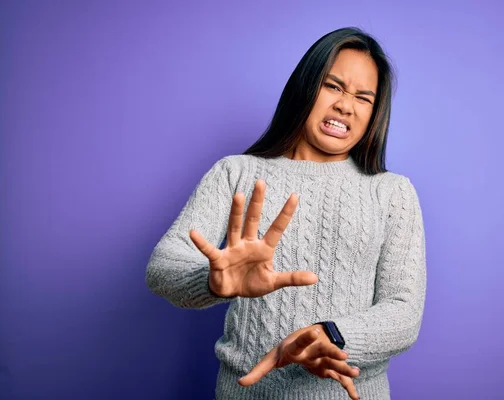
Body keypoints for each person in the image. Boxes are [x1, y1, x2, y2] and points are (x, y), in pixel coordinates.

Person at [145, 27, 427, 400]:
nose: (346, 105)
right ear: (305, 87)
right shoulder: (236, 173)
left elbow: (404, 312)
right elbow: (162, 268)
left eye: (363, 97)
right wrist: (212, 282)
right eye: (333, 86)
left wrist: (330, 335)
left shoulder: (392, 193)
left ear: (375, 113)